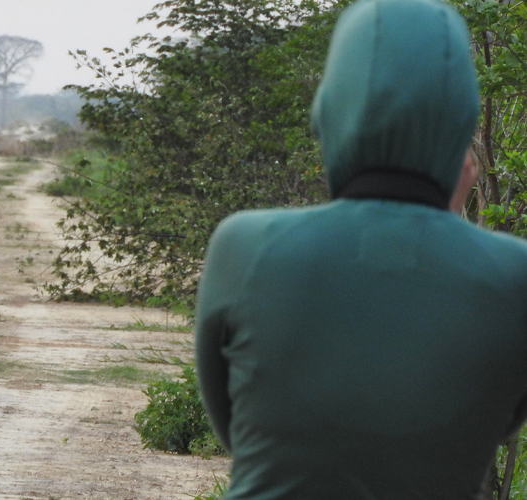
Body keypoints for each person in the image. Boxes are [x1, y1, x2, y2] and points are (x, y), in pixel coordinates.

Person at [194, 0, 527, 498]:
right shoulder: (515, 275)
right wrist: (443, 214)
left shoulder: (245, 246)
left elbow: (239, 433)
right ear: (462, 122)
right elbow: (478, 432)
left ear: (330, 110)